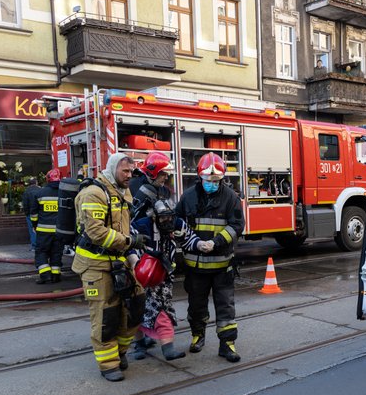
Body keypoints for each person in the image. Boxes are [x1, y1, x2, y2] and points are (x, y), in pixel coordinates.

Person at [72, 153, 148, 382]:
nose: (129, 175)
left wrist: (131, 253)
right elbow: (95, 232)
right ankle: (108, 364)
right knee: (106, 314)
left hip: (120, 261)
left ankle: (121, 352)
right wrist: (128, 243)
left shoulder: (122, 191)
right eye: (125, 171)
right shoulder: (94, 193)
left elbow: (124, 227)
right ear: (113, 168)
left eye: (131, 171)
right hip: (95, 264)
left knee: (136, 305)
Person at [175, 152, 245, 363]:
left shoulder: (230, 197)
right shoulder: (188, 197)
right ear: (200, 177)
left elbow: (237, 226)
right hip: (195, 266)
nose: (212, 184)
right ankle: (198, 336)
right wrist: (194, 242)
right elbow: (177, 223)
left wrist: (216, 242)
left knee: (225, 306)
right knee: (196, 306)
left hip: (222, 265)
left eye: (216, 181)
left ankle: (227, 344)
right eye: (208, 180)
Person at [129, 152, 190, 361]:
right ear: (153, 172)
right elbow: (131, 228)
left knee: (159, 304)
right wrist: (135, 257)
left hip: (162, 261)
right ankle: (142, 344)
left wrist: (193, 239)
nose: (166, 178)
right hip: (144, 260)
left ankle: (153, 343)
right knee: (138, 305)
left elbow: (178, 225)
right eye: (163, 174)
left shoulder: (162, 192)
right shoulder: (141, 195)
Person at [33, 169, 64, 284]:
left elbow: (34, 214)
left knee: (41, 252)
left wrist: (34, 225)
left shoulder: (40, 193)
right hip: (59, 231)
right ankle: (56, 275)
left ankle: (45, 275)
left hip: (43, 231)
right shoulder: (64, 193)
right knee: (56, 252)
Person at [21, 176, 39, 251]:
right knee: (40, 229)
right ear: (36, 182)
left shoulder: (26, 191)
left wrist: (27, 213)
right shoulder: (40, 190)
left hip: (30, 214)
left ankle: (34, 246)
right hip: (39, 214)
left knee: (32, 230)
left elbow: (25, 204)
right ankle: (40, 245)